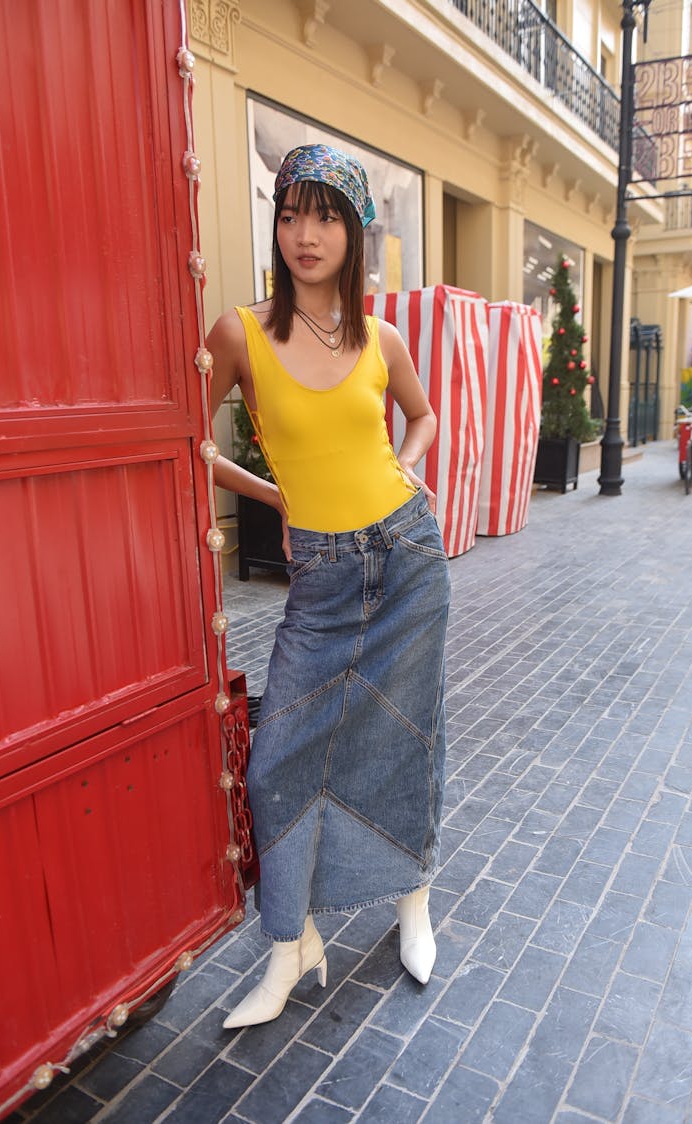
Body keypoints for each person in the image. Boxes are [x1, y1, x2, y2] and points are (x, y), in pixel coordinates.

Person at [206, 143, 450, 1029]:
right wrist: (275, 493)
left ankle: (412, 903)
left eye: (326, 216)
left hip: (407, 561)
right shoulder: (239, 332)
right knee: (277, 763)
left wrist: (411, 469)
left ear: (354, 232)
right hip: (318, 573)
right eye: (290, 213)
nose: (305, 234)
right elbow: (192, 447)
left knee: (404, 744)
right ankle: (291, 945)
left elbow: (421, 416)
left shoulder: (380, 336)